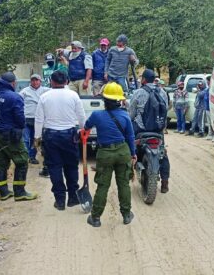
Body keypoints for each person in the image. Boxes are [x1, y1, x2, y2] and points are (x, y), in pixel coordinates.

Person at [84, 82, 136, 227]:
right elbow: (130, 137)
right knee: (123, 184)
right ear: (119, 100)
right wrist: (133, 154)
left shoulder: (96, 115)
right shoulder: (125, 116)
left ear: (104, 99)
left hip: (105, 154)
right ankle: (126, 215)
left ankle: (95, 218)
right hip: (122, 152)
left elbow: (86, 127)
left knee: (102, 186)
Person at [34, 70, 86, 210]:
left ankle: (60, 200)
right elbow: (81, 116)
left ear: (51, 81)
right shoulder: (73, 95)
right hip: (69, 135)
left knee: (54, 167)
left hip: (50, 136)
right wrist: (83, 130)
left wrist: (37, 137)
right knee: (71, 166)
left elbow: (39, 119)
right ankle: (73, 198)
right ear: (66, 81)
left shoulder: (44, 97)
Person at [0, 72, 37, 202]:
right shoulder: (14, 97)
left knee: (2, 162)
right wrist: (21, 127)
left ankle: (4, 192)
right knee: (22, 160)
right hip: (10, 135)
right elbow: (20, 117)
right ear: (12, 83)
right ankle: (20, 192)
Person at [129, 69, 170, 193]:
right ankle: (165, 182)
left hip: (141, 130)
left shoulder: (138, 93)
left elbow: (131, 114)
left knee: (130, 149)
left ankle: (129, 173)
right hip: (158, 131)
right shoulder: (162, 92)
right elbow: (166, 110)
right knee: (163, 154)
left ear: (144, 80)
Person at [19, 74, 49, 165]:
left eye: (37, 80)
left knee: (35, 139)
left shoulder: (46, 91)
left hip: (39, 120)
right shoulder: (24, 91)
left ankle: (32, 157)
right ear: (30, 81)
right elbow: (18, 101)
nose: (35, 82)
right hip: (26, 118)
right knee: (25, 139)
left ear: (40, 81)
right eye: (33, 80)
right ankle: (25, 157)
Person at [204, 76, 214, 140]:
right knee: (209, 123)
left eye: (208, 81)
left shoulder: (212, 89)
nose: (207, 83)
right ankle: (210, 134)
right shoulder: (207, 89)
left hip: (211, 109)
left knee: (213, 123)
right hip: (207, 108)